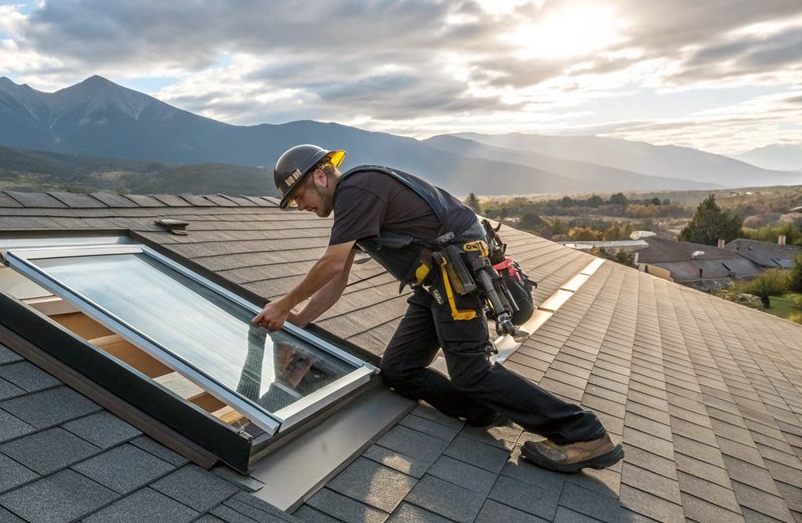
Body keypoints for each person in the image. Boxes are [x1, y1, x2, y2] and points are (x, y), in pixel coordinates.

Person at [251, 144, 624, 473]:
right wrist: (299, 318)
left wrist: (283, 305)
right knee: (399, 369)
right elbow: (338, 277)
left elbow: (330, 264)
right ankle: (484, 409)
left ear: (320, 176)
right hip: (436, 283)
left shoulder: (356, 190)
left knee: (471, 372)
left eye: (299, 196)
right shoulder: (358, 198)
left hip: (455, 277)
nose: (300, 206)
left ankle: (584, 433)